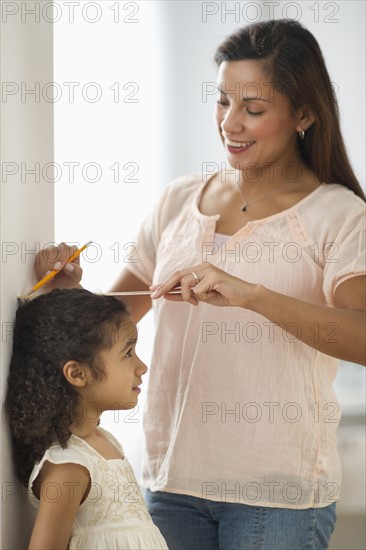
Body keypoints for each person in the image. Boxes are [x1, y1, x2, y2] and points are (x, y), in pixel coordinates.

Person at [33, 19, 365, 550]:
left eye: (253, 109)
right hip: (173, 485)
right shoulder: (177, 201)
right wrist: (70, 291)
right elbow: (117, 317)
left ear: (304, 114)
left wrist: (250, 295)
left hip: (275, 497)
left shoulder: (338, 215)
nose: (230, 123)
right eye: (222, 102)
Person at [5, 289, 168, 550]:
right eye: (128, 354)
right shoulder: (69, 467)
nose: (142, 367)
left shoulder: (106, 442)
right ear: (78, 374)